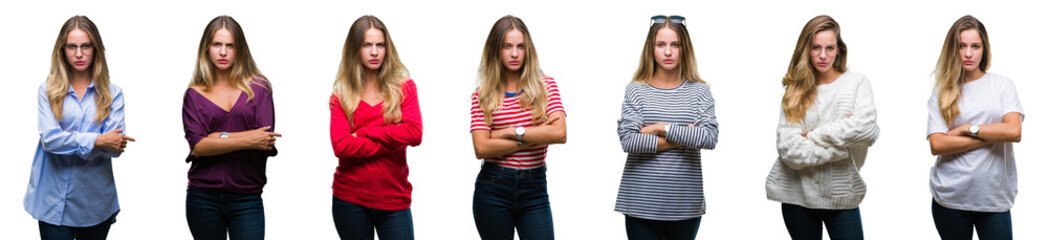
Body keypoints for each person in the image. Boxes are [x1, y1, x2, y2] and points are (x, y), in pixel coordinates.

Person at [765, 15, 879, 240]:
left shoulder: (856, 82)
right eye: (816, 47)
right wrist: (841, 149)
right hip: (796, 196)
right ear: (806, 49)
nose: (823, 55)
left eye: (830, 47)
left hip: (841, 194)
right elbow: (789, 150)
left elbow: (866, 130)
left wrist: (813, 136)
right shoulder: (795, 91)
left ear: (839, 50)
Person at [24, 15, 135, 240]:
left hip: (95, 204)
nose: (78, 54)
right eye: (72, 47)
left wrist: (83, 142)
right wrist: (99, 140)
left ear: (96, 49)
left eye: (85, 46)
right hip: (51, 201)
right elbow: (51, 140)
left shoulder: (114, 94)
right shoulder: (47, 91)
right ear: (62, 50)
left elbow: (114, 149)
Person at [614, 15, 718, 240]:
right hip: (640, 204)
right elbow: (629, 141)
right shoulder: (636, 90)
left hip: (684, 205)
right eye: (661, 45)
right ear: (651, 49)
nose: (668, 52)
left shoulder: (700, 91)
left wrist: (661, 127)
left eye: (675, 45)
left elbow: (709, 138)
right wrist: (686, 135)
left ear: (684, 48)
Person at [181, 15, 281, 240]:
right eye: (217, 44)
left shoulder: (259, 87)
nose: (223, 52)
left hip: (247, 197)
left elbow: (264, 140)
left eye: (230, 45)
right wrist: (248, 139)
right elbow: (198, 146)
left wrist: (218, 137)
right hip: (203, 196)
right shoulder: (194, 94)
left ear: (239, 49)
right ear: (207, 48)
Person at [469, 15, 567, 240]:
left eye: (520, 46)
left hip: (535, 188)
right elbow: (482, 148)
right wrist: (538, 134)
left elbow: (559, 133)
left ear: (527, 49)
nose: (515, 54)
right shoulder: (482, 95)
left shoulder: (546, 86)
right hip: (493, 188)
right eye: (507, 47)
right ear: (496, 50)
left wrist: (510, 132)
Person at [926, 15, 1023, 240]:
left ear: (984, 48)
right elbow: (938, 144)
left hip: (993, 199)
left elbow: (1014, 131)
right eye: (962, 46)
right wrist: (993, 135)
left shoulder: (1001, 85)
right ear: (953, 50)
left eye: (975, 46)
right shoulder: (942, 93)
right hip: (950, 199)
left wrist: (968, 129)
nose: (968, 54)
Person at [329, 15, 422, 240]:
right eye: (367, 45)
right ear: (355, 50)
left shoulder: (404, 88)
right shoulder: (341, 94)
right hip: (349, 199)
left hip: (394, 198)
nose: (374, 52)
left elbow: (414, 133)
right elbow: (341, 146)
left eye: (380, 45)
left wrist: (364, 133)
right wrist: (391, 141)